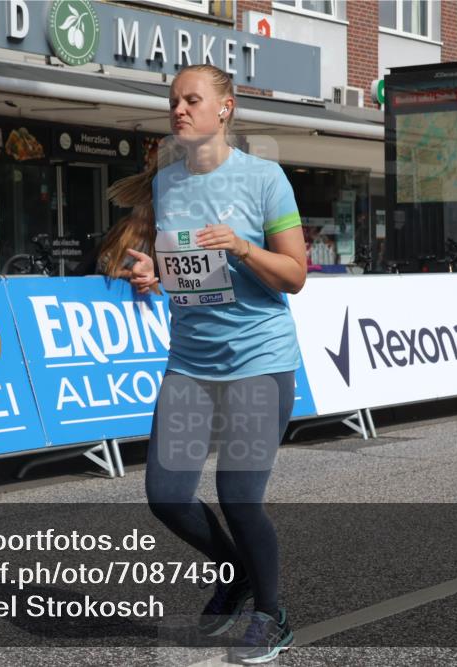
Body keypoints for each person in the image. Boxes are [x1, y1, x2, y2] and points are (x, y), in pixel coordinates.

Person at [111, 63, 307, 663]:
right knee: (166, 494)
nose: (179, 110)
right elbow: (186, 271)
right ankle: (235, 571)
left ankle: (272, 615)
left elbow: (295, 275)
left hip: (258, 358)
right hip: (191, 362)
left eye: (192, 100)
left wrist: (245, 247)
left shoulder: (265, 179)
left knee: (239, 495)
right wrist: (154, 273)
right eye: (173, 101)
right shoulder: (168, 184)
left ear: (225, 108)